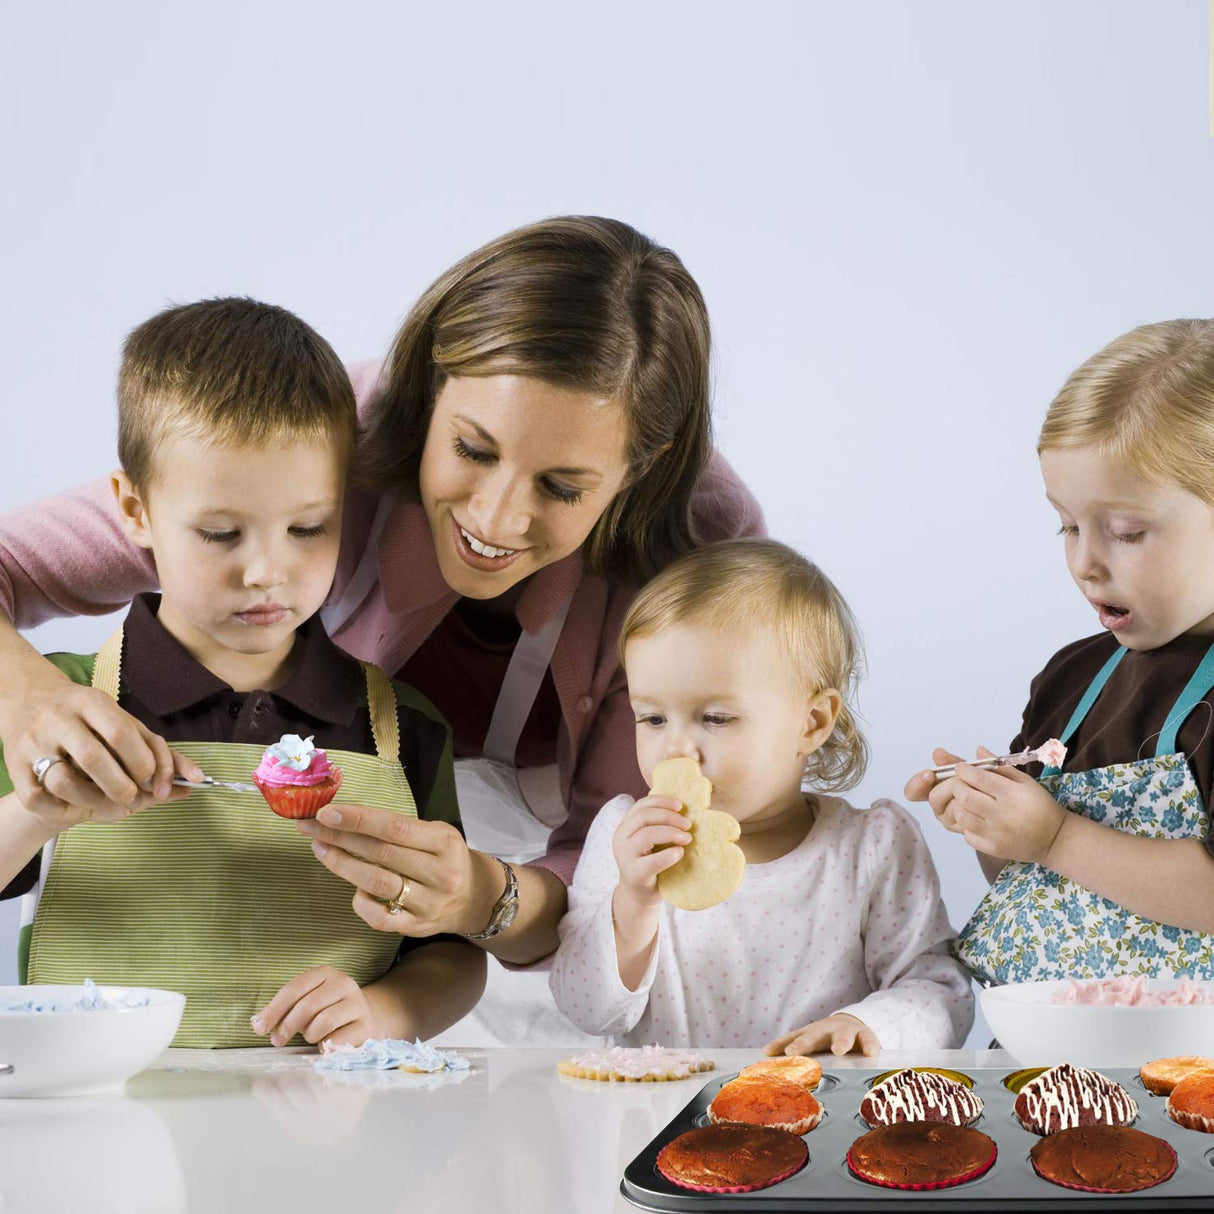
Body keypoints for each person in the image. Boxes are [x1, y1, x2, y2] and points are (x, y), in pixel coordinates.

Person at [0, 217, 764, 1044]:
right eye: (472, 449)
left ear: (637, 472)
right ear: (425, 395)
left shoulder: (702, 561)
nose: (496, 517)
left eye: (562, 486)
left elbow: (602, 879)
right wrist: (33, 697)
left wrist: (481, 900)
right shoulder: (299, 449)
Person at [0, 298, 485, 1047]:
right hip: (100, 1127)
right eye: (221, 533)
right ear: (134, 509)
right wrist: (43, 808)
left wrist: (386, 1012)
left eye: (308, 528)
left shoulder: (402, 728)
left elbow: (453, 951)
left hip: (330, 1126)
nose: (267, 572)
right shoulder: (62, 705)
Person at [549, 538, 973, 1051]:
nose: (677, 749)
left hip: (819, 1117)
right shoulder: (625, 839)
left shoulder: (871, 848)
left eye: (716, 718)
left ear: (810, 722)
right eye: (653, 718)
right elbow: (584, 1011)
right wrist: (634, 902)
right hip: (662, 1121)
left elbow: (939, 991)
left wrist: (873, 1027)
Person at [905, 319, 1214, 986]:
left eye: (1127, 532)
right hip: (1056, 1048)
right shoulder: (1074, 676)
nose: (1085, 562)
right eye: (1067, 525)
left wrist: (1059, 837)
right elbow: (1036, 885)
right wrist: (997, 822)